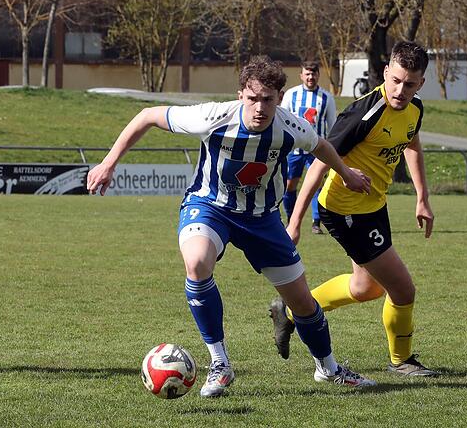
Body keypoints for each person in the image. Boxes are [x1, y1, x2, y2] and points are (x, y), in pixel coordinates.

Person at [87, 56, 376, 397]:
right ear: (240, 95)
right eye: (253, 98)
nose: (259, 107)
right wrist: (108, 163)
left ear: (279, 98)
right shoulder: (211, 117)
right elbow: (147, 116)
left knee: (301, 302)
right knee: (196, 263)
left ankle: (328, 368)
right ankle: (220, 364)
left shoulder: (289, 126)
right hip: (210, 207)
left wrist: (346, 173)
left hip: (263, 219)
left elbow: (321, 146)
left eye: (268, 99)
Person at [270, 41, 439, 377]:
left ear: (421, 83)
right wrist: (296, 222)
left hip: (373, 205)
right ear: (386, 72)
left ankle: (290, 310)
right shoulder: (365, 112)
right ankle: (401, 361)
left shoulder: (415, 109)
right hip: (345, 209)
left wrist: (422, 196)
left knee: (366, 288)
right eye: (396, 80)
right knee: (403, 289)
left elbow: (412, 144)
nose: (400, 90)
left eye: (410, 84)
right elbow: (320, 161)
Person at [281, 61, 337, 235]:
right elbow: (282, 120)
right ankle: (291, 220)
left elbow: (332, 125)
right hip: (295, 150)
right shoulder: (291, 95)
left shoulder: (326, 97)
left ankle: (316, 222)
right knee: (290, 185)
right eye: (307, 74)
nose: (310, 77)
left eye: (313, 74)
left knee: (317, 185)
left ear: (318, 75)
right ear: (301, 75)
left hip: (316, 150)